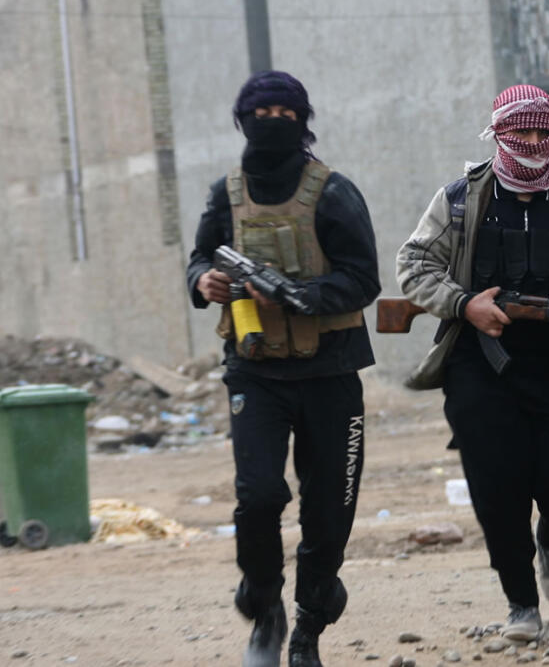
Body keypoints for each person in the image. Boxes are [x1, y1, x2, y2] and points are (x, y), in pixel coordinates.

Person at [396, 84, 549, 641]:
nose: (530, 141)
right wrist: (464, 305)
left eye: (541, 131)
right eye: (519, 130)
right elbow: (414, 264)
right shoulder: (458, 199)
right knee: (497, 490)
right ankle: (522, 604)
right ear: (498, 131)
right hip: (480, 366)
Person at [186, 71, 380, 667]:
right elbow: (199, 254)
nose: (271, 121)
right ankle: (265, 607)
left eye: (284, 112)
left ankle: (307, 632)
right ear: (241, 119)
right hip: (256, 371)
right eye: (260, 111)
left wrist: (299, 295)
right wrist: (203, 281)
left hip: (330, 373)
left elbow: (363, 280)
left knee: (328, 510)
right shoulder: (228, 194)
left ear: (303, 121)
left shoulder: (333, 193)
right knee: (260, 496)